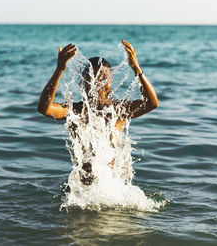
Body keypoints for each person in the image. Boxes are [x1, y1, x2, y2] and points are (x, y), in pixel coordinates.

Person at [37, 40, 158, 186]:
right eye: (92, 77)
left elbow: (151, 103)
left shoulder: (118, 111)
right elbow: (45, 108)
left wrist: (136, 68)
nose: (97, 81)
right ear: (83, 81)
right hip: (82, 191)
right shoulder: (75, 111)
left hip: (113, 189)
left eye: (103, 77)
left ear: (111, 81)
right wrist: (59, 70)